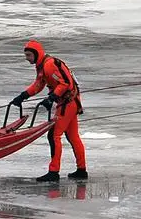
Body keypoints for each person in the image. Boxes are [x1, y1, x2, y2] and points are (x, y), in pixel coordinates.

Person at [10, 40, 87, 182]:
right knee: (72, 136)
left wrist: (52, 97)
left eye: (28, 55)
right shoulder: (42, 66)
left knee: (54, 135)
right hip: (69, 102)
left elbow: (66, 83)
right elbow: (38, 85)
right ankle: (81, 170)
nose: (26, 58)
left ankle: (53, 172)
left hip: (68, 103)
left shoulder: (50, 65)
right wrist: (23, 96)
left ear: (36, 54)